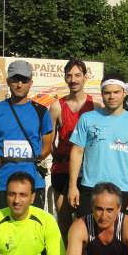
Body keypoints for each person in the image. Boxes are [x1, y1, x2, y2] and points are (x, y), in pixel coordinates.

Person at [68, 76, 128, 217]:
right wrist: (72, 185)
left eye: (116, 92)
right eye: (107, 92)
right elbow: (77, 152)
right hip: (90, 188)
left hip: (122, 190)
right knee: (86, 230)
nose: (112, 96)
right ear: (101, 94)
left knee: (119, 231)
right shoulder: (87, 118)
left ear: (124, 93)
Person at [0, 59, 53, 212]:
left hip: (33, 183)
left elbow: (47, 146)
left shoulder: (41, 111)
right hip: (2, 183)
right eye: (15, 80)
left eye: (24, 80)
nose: (19, 84)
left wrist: (31, 161)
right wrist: (0, 163)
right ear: (8, 81)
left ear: (31, 83)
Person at [49, 59, 95, 235]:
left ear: (85, 77)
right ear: (65, 78)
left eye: (77, 75)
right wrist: (59, 156)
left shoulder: (95, 107)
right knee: (63, 216)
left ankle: (83, 251)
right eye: (69, 76)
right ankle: (66, 251)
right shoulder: (57, 107)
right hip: (62, 169)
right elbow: (49, 140)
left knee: (86, 218)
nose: (73, 80)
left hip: (87, 170)